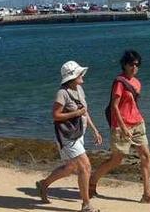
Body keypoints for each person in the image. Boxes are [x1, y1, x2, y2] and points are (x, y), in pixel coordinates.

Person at [90, 50, 150, 205]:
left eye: (137, 64)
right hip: (121, 125)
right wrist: (123, 127)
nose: (134, 67)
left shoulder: (137, 83)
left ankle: (147, 194)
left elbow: (133, 104)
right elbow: (114, 107)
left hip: (137, 123)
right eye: (131, 64)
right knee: (116, 160)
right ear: (124, 64)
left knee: (146, 156)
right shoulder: (119, 82)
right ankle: (92, 180)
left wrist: (136, 119)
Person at [36, 60, 103, 212]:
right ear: (72, 77)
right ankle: (86, 205)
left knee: (70, 168)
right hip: (67, 137)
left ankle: (43, 184)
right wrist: (75, 113)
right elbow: (55, 115)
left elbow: (84, 112)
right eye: (80, 73)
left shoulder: (79, 89)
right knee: (85, 167)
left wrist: (95, 130)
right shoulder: (62, 93)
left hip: (79, 133)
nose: (82, 76)